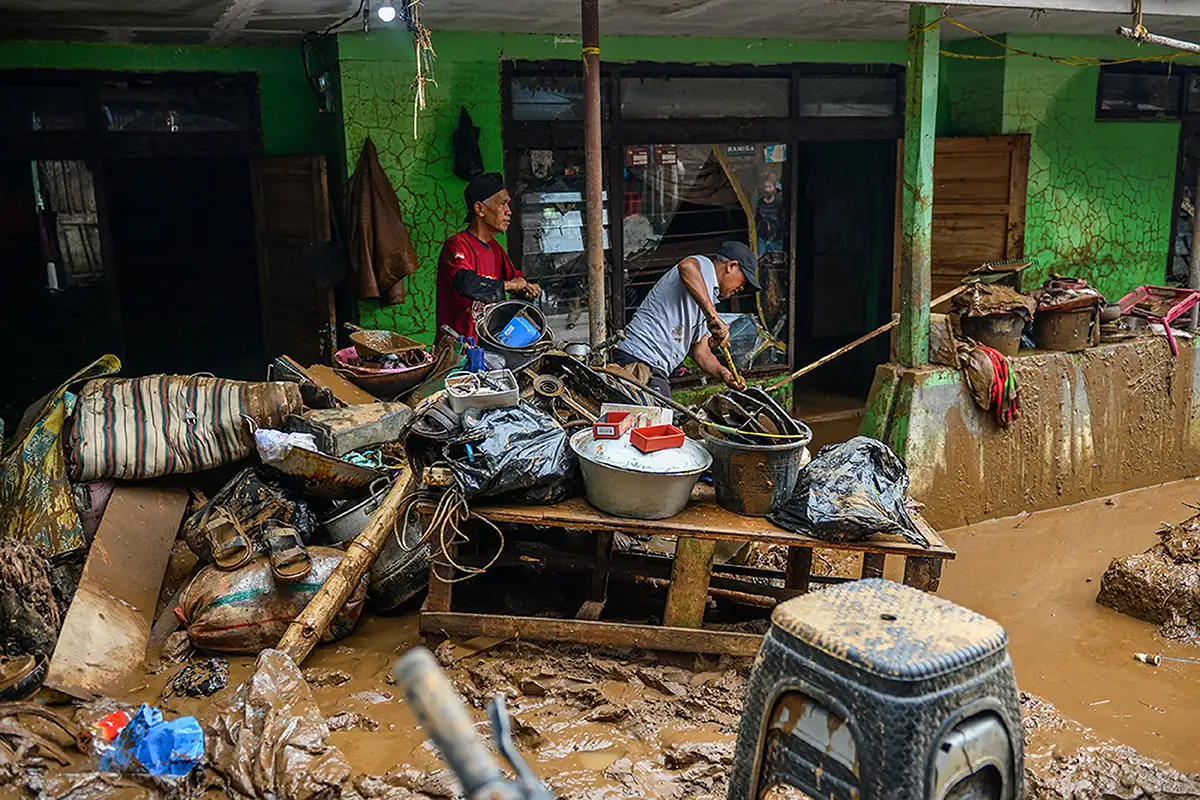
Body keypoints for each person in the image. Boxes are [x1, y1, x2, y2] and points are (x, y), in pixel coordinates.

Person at [614, 241, 761, 397]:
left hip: (653, 365)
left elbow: (701, 352)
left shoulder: (709, 299)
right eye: (743, 281)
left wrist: (725, 374)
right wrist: (713, 316)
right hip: (638, 357)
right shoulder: (704, 267)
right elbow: (686, 266)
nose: (741, 288)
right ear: (731, 266)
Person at [436, 172, 541, 338]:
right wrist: (512, 285)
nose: (509, 212)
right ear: (480, 209)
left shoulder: (496, 249)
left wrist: (527, 289)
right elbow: (466, 283)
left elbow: (517, 281)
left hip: (489, 348)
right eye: (503, 204)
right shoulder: (457, 245)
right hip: (456, 351)